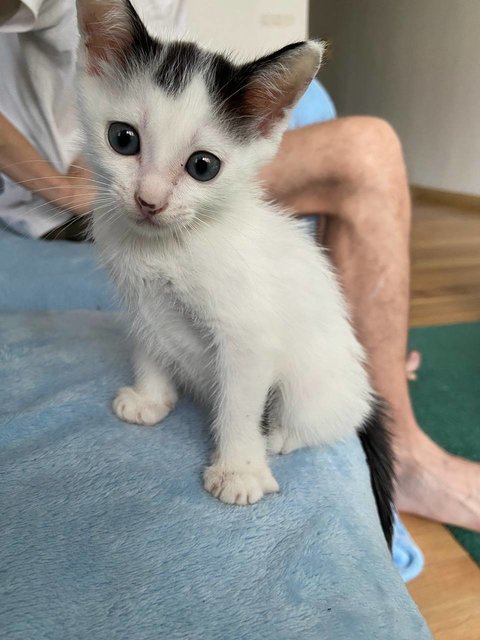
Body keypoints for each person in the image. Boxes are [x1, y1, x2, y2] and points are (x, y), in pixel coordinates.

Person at [1, 0, 479, 531]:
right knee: (142, 285)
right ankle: (159, 385)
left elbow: (247, 342)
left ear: (265, 127)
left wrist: (240, 453)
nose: (151, 194)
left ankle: (334, 435)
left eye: (201, 167)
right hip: (61, 207)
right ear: (95, 65)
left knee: (300, 395)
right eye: (125, 140)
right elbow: (145, 309)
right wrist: (153, 385)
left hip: (303, 394)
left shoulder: (223, 239)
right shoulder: (120, 199)